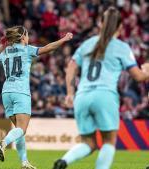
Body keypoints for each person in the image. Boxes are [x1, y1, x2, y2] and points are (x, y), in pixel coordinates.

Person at [53, 7, 149, 169]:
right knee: (109, 142)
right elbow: (138, 77)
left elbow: (71, 67)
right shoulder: (121, 47)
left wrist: (70, 93)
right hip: (105, 95)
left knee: (88, 143)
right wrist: (146, 71)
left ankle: (64, 161)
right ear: (119, 27)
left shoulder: (87, 44)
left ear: (100, 23)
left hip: (82, 96)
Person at [0, 25, 73, 169]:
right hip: (21, 92)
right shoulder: (27, 50)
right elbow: (48, 48)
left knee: (18, 130)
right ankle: (4, 142)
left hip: (6, 92)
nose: (29, 37)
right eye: (27, 35)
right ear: (23, 37)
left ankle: (24, 162)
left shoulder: (6, 51)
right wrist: (64, 39)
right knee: (22, 129)